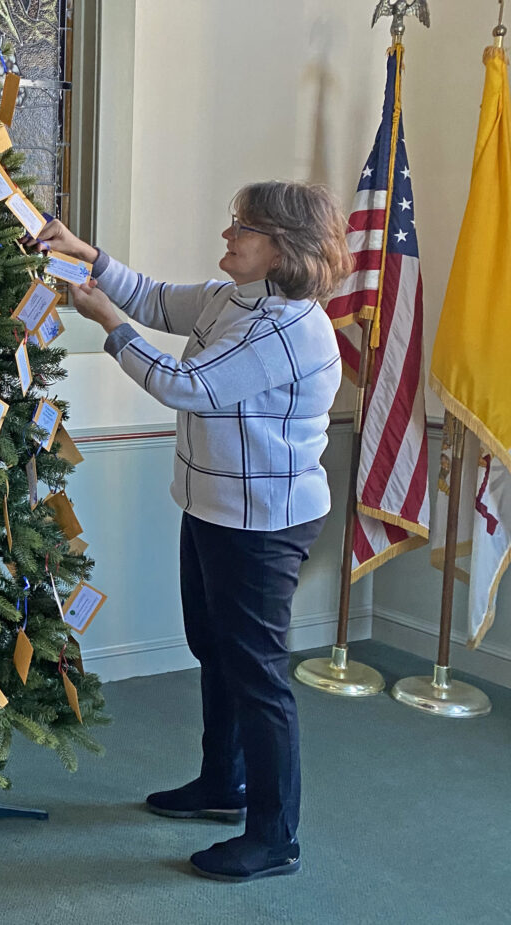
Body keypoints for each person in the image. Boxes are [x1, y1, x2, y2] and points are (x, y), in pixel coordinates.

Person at [35, 181, 351, 883]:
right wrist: (88, 255)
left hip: (263, 523)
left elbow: (190, 386)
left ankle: (275, 836)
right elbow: (153, 296)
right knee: (213, 645)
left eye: (243, 228)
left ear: (282, 248)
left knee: (258, 672)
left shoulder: (285, 327)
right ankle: (222, 783)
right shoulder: (231, 297)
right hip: (213, 505)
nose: (227, 235)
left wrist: (109, 325)